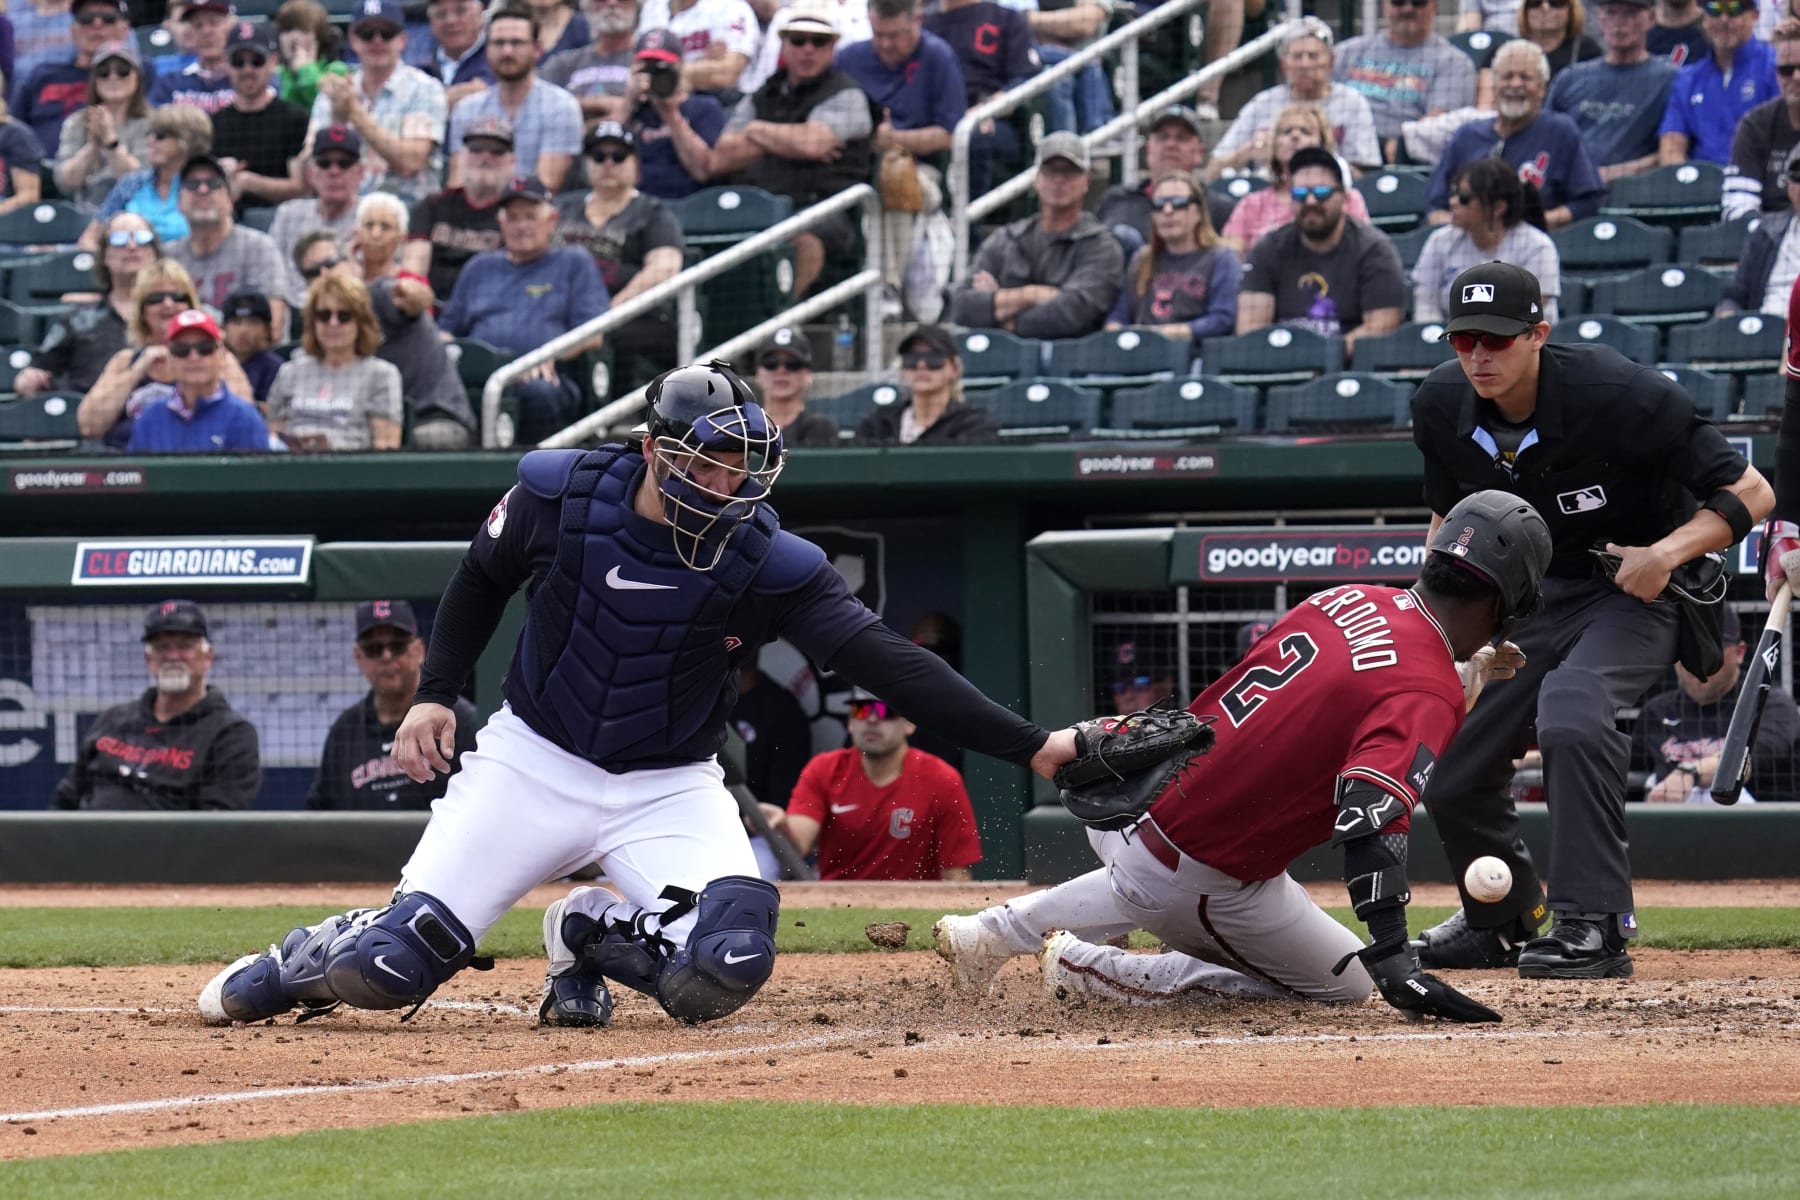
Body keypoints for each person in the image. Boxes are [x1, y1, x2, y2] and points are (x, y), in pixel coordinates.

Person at [197, 360, 1078, 1031]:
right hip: (531, 762)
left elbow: (890, 662)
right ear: (657, 450)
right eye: (711, 464)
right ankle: (310, 956)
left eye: (744, 469)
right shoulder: (559, 493)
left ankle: (585, 932)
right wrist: (434, 693)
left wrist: (1035, 747)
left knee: (726, 965)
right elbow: (478, 578)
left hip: (669, 782)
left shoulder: (769, 559)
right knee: (387, 971)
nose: (729, 486)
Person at [934, 491, 1551, 1023]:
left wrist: (1455, 676)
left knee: (1193, 894)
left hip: (1132, 794)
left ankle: (996, 931)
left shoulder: (1349, 597)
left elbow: (1352, 693)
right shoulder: (1425, 687)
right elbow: (1368, 816)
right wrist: (1394, 956)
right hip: (1197, 873)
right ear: (1509, 601)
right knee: (1346, 984)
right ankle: (1090, 968)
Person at [1409, 261, 1772, 980]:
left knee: (1573, 712)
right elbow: (1448, 520)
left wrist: (1663, 553)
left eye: (1497, 339)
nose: (1479, 355)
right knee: (1452, 755)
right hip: (1534, 598)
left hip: (1637, 590)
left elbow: (1751, 492)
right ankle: (1501, 918)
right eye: (1464, 339)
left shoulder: (1617, 393)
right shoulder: (1440, 403)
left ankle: (1594, 922)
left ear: (1538, 334)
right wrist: (1437, 630)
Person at [706, 0, 875, 298]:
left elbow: (813, 144)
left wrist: (756, 130)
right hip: (762, 202)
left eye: (818, 41)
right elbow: (722, 155)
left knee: (802, 237)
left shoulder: (848, 93)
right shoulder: (766, 91)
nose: (807, 49)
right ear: (784, 45)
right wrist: (789, 141)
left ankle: (774, 317)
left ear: (832, 47)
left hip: (824, 207)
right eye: (798, 41)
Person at [439, 175, 610, 444]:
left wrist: (545, 356)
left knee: (539, 394)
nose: (521, 226)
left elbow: (593, 334)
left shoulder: (573, 262)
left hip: (547, 379)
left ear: (551, 220)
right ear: (501, 222)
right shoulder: (479, 267)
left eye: (530, 216)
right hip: (479, 377)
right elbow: (446, 331)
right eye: (513, 217)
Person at [52, 600, 261, 810]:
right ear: (148, 659)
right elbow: (66, 799)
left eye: (184, 646)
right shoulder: (113, 720)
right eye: (162, 647)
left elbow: (220, 825)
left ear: (207, 657)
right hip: (91, 840)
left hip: (171, 842)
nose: (172, 656)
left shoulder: (230, 734)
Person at [297, 230, 478, 448]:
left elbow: (413, 296)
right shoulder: (319, 323)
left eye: (331, 262)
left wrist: (414, 293)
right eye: (313, 272)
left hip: (433, 416)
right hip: (373, 420)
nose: (325, 274)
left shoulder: (379, 294)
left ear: (353, 261)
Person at [836, 0, 966, 303]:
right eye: (878, 34)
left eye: (894, 35)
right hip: (856, 167)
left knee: (894, 180)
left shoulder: (938, 57)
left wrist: (896, 139)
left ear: (917, 20)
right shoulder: (850, 58)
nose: (885, 43)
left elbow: (950, 134)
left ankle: (887, 288)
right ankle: (883, 291)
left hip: (923, 169)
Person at [775, 690, 982, 880]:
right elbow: (797, 846)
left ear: (909, 723)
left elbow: (957, 873)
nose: (872, 719)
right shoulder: (824, 769)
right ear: (851, 722)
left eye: (886, 711)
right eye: (862, 710)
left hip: (916, 904)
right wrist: (778, 826)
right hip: (840, 905)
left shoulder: (942, 778)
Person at [946, 132, 1123, 339]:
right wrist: (1034, 294)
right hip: (1004, 361)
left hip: (1071, 360)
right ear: (1037, 180)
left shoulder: (1101, 246)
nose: (1059, 179)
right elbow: (963, 307)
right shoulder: (1006, 238)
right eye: (1050, 171)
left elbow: (1071, 314)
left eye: (1069, 172)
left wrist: (1000, 309)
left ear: (1086, 182)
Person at [308, 600, 481, 810]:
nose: (386, 656)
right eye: (374, 649)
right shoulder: (344, 731)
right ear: (359, 657)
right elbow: (320, 811)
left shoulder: (457, 719)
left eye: (397, 646)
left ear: (419, 650)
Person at [1236, 145, 1406, 353]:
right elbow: (1250, 329)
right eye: (1299, 193)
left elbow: (1382, 326)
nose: (1310, 201)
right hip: (1280, 363)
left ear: (1344, 199)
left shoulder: (1374, 249)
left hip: (1347, 367)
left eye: (1321, 192)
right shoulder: (1268, 248)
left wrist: (1321, 356)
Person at [555, 123, 685, 390]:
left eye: (618, 156)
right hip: (564, 310)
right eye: (599, 157)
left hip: (629, 316)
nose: (608, 164)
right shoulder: (563, 208)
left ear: (635, 163)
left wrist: (608, 313)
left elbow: (664, 268)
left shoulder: (652, 211)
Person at [1425, 41, 1605, 228]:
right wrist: (1472, 226)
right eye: (1507, 76)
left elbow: (1587, 203)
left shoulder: (1561, 131)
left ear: (1542, 88)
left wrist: (1524, 226)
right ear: (1493, 86)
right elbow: (1435, 207)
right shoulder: (1467, 136)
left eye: (1525, 77)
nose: (1516, 84)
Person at [1631, 606, 1800, 804]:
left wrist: (1688, 774)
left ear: (1740, 652)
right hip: (1677, 826)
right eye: (1687, 649)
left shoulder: (1768, 703)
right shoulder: (1657, 712)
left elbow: (1745, 761)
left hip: (1757, 825)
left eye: (1711, 649)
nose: (1699, 661)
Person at [78, 259, 253, 444]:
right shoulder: (124, 361)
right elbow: (89, 426)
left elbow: (243, 420)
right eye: (155, 298)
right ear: (142, 312)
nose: (168, 304)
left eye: (178, 297)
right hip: (131, 465)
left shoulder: (218, 357)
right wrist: (138, 369)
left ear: (191, 305)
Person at [306, 0, 447, 205]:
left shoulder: (425, 88)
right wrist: (338, 119)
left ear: (403, 39)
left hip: (406, 209)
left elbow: (410, 162)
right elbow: (311, 168)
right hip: (343, 210)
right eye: (367, 33)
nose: (377, 41)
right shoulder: (335, 91)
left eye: (386, 33)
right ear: (353, 40)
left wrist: (355, 113)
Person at [1213, 18, 1381, 177]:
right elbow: (1212, 170)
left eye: (1313, 56)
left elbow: (1366, 177)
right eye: (1297, 56)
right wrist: (1250, 150)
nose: (1304, 64)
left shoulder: (1352, 102)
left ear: (1331, 61)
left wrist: (1320, 154)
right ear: (1283, 64)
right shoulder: (1262, 103)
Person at [16, 212, 155, 398]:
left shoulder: (175, 313)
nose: (132, 246)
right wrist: (27, 380)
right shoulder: (77, 320)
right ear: (104, 255)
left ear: (155, 252)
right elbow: (36, 371)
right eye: (119, 239)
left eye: (142, 238)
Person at [446, 5, 582, 191]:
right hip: (473, 214)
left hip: (530, 214)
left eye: (516, 43)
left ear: (537, 50)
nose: (507, 52)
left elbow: (546, 185)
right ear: (487, 50)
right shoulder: (467, 109)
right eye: (499, 43)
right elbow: (457, 183)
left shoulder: (560, 106)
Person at [266, 270, 404, 450]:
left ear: (361, 322)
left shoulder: (381, 375)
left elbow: (386, 447)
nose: (333, 323)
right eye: (324, 315)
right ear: (312, 321)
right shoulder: (289, 372)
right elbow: (272, 439)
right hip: (291, 471)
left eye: (344, 316)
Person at [1414, 158, 1563, 324]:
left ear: (1498, 207)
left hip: (1518, 342)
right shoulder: (1439, 241)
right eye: (1453, 193)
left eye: (1464, 198)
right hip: (1452, 341)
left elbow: (1531, 311)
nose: (1452, 202)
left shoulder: (1537, 246)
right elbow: (1426, 304)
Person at [1547, 0, 1678, 183]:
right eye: (1611, 12)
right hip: (1571, 191)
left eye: (1630, 14)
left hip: (1636, 191)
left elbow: (1673, 150)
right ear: (1599, 18)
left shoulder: (1671, 79)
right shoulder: (1570, 78)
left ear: (1651, 18)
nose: (1619, 22)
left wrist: (1611, 175)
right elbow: (1546, 141)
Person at [1219, 105, 1375, 257]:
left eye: (1305, 132)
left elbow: (1364, 250)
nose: (1295, 136)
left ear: (1322, 144)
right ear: (1275, 145)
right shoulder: (1252, 204)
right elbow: (1229, 257)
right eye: (1286, 132)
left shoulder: (1346, 199)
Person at [1334, 0, 1478, 160]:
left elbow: (1435, 124)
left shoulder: (1454, 62)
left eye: (1418, 2)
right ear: (1384, 5)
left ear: (1435, 6)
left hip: (1404, 157)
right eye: (1398, 2)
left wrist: (1398, 146)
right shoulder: (1347, 52)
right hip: (1340, 147)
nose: (1408, 9)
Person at [1104, 173, 1239, 344]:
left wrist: (1162, 334)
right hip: (1139, 356)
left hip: (1193, 356)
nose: (1168, 211)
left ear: (1199, 212)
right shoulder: (1141, 259)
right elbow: (1118, 316)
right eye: (1159, 204)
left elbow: (1222, 319)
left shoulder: (1221, 257)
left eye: (1178, 203)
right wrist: (1118, 333)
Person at [166, 153, 295, 331]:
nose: (203, 190)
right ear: (178, 203)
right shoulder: (169, 257)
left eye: (214, 184)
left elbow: (272, 326)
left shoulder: (259, 248)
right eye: (192, 184)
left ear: (230, 200)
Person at [922, 0, 1036, 199]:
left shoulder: (1006, 18)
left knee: (972, 139)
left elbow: (1024, 79)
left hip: (990, 118)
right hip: (933, 118)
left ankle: (967, 227)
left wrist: (987, 109)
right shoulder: (922, 23)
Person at [1098, 106, 1240, 259]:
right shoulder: (1115, 199)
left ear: (1199, 152)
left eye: (1181, 138)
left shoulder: (1220, 208)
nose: (1171, 144)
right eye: (1163, 137)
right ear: (1148, 150)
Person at [125, 307, 272, 453]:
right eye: (181, 349)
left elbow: (257, 476)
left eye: (205, 348)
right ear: (169, 359)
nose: (194, 357)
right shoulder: (149, 420)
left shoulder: (245, 419)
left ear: (221, 355)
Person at [402, 113, 511, 298]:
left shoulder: (514, 212)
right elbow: (414, 271)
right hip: (429, 309)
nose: (485, 157)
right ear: (463, 157)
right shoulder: (433, 206)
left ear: (511, 161)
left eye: (496, 151)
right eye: (476, 149)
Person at [1657, 0, 1777, 166]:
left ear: (1755, 16)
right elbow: (1671, 147)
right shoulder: (1688, 78)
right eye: (1715, 9)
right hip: (1702, 186)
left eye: (1735, 9)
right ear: (1703, 17)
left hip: (1760, 181)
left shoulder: (1778, 69)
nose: (1724, 20)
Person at [210, 21, 310, 212]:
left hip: (281, 217)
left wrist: (250, 182)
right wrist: (219, 174)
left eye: (257, 61)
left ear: (273, 61)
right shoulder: (214, 124)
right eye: (238, 62)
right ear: (226, 64)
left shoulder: (294, 118)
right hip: (228, 218)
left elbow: (303, 187)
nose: (248, 69)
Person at [82, 102, 211, 246]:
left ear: (187, 140)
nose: (150, 141)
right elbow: (90, 238)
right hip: (131, 263)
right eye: (149, 134)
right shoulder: (132, 183)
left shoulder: (206, 186)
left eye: (160, 136)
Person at [11, 0, 128, 159]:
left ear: (123, 30)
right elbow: (12, 128)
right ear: (73, 31)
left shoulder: (133, 75)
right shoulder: (42, 75)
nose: (97, 25)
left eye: (107, 19)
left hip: (110, 170)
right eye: (87, 19)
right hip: (40, 171)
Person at [623, 29, 727, 202]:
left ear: (681, 67)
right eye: (647, 67)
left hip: (692, 204)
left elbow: (702, 171)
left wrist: (671, 113)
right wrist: (627, 102)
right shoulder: (633, 111)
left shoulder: (705, 107)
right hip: (637, 205)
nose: (655, 75)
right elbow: (598, 152)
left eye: (662, 67)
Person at [855, 323, 999, 444]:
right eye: (912, 359)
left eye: (933, 358)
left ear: (954, 369)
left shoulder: (974, 424)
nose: (921, 365)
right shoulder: (877, 425)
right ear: (903, 370)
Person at [266, 124, 365, 300]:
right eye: (324, 163)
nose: (334, 171)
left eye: (344, 163)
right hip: (292, 312)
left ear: (360, 173)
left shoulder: (371, 217)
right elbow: (271, 274)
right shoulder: (288, 215)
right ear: (311, 173)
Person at [52, 39, 150, 210]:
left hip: (140, 211)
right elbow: (66, 183)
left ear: (138, 77)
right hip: (86, 214)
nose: (113, 77)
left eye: (123, 71)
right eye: (103, 72)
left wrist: (110, 141)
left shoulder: (153, 122)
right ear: (94, 80)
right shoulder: (76, 122)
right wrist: (93, 146)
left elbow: (142, 183)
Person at [1724, 19, 1800, 218]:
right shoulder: (1755, 126)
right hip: (1769, 240)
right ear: (1776, 75)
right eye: (1786, 70)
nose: (1797, 77)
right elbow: (1738, 211)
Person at [1719, 142, 1800, 313]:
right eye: (1797, 175)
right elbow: (1735, 296)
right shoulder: (1766, 233)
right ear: (1788, 185)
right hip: (1766, 331)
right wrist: (1727, 318)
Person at [636, 0, 760, 95]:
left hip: (718, 100)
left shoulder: (731, 7)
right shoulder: (653, 6)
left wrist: (663, 75)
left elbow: (728, 73)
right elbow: (637, 66)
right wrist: (701, 62)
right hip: (657, 100)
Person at [540, 0, 637, 120]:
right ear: (590, 5)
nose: (612, 3)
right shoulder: (565, 63)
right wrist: (596, 103)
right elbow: (533, 99)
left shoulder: (648, 59)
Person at [753, 325, 839, 447]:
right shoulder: (742, 427)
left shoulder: (821, 429)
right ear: (758, 374)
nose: (781, 371)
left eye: (792, 364)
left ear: (808, 375)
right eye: (771, 364)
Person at [148, 0, 238, 112]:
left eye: (214, 23)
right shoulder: (170, 84)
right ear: (190, 32)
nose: (206, 31)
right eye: (198, 25)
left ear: (231, 26)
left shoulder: (251, 76)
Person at [414, 0, 494, 112]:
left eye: (461, 11)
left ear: (480, 15)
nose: (450, 21)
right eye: (441, 14)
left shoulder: (500, 59)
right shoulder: (420, 70)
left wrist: (426, 102)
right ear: (431, 22)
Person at [273, 0, 349, 113]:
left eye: (303, 30)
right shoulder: (274, 75)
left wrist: (305, 69)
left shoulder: (336, 70)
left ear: (318, 37)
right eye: (287, 30)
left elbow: (325, 108)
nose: (293, 37)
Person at [220, 288, 284, 403]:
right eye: (236, 322)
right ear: (223, 328)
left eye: (253, 322)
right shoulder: (212, 362)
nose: (244, 330)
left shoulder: (276, 368)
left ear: (266, 329)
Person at [1519, 0, 1602, 78]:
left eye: (1556, 2)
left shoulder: (1587, 50)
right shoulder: (1514, 49)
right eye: (1535, 2)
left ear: (1571, 10)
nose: (1545, 8)